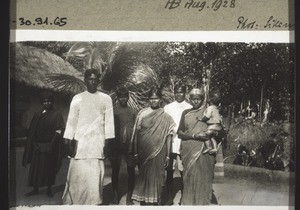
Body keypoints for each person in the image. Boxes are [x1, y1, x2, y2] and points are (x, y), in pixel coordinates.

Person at [62, 69, 115, 205]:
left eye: (95, 79)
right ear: (85, 80)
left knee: (94, 175)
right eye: (90, 79)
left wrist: (107, 143)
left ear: (98, 80)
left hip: (97, 143)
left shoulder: (106, 99)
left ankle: (94, 202)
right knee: (77, 174)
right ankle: (74, 202)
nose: (93, 82)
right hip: (80, 143)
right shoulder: (77, 98)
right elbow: (71, 121)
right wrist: (68, 141)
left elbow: (109, 123)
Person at [131, 86, 175, 205]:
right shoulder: (142, 113)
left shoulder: (166, 117)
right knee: (143, 177)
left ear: (160, 99)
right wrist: (135, 152)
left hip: (159, 152)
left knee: (158, 179)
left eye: (156, 98)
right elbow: (136, 134)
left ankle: (156, 202)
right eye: (151, 98)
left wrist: (168, 156)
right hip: (143, 152)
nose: (153, 100)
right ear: (148, 99)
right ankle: (143, 203)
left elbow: (169, 138)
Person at [22, 91, 65, 197]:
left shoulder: (57, 114)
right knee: (36, 168)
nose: (47, 103)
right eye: (45, 101)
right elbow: (32, 132)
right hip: (37, 145)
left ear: (52, 102)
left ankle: (49, 189)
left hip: (50, 146)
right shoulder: (38, 114)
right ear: (42, 102)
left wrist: (51, 145)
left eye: (49, 101)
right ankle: (35, 189)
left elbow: (59, 131)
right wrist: (34, 144)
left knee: (49, 168)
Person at [177, 88, 216, 205]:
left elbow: (220, 131)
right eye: (193, 99)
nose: (196, 101)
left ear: (202, 100)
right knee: (188, 178)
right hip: (189, 149)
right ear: (190, 100)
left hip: (205, 151)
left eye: (198, 99)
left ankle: (202, 204)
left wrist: (209, 134)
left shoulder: (209, 113)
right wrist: (194, 136)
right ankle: (188, 203)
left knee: (203, 179)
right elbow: (180, 133)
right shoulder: (186, 113)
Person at [163, 84, 192, 205]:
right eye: (177, 92)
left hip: (183, 143)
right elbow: (165, 124)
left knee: (183, 170)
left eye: (181, 92)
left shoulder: (190, 107)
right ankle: (169, 197)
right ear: (174, 93)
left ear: (185, 93)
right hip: (171, 142)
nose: (179, 94)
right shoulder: (168, 107)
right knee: (169, 170)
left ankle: (183, 197)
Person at [109, 87, 137, 205]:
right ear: (117, 98)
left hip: (130, 145)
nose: (123, 99)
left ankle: (129, 197)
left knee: (131, 170)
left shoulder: (133, 111)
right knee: (115, 170)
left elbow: (137, 129)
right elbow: (109, 130)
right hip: (116, 145)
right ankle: (115, 196)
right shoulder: (113, 111)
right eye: (121, 97)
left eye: (125, 96)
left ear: (128, 97)